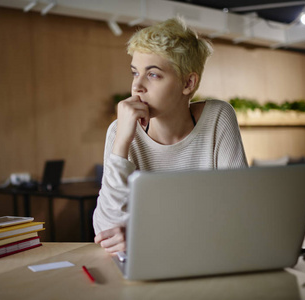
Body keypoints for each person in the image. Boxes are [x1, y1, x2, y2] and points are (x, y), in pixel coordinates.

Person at [93, 17, 248, 254]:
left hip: (208, 258)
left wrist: (143, 234)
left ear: (188, 82)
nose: (137, 86)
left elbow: (241, 212)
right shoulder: (119, 131)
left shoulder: (218, 118)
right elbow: (106, 231)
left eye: (153, 75)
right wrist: (122, 142)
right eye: (135, 73)